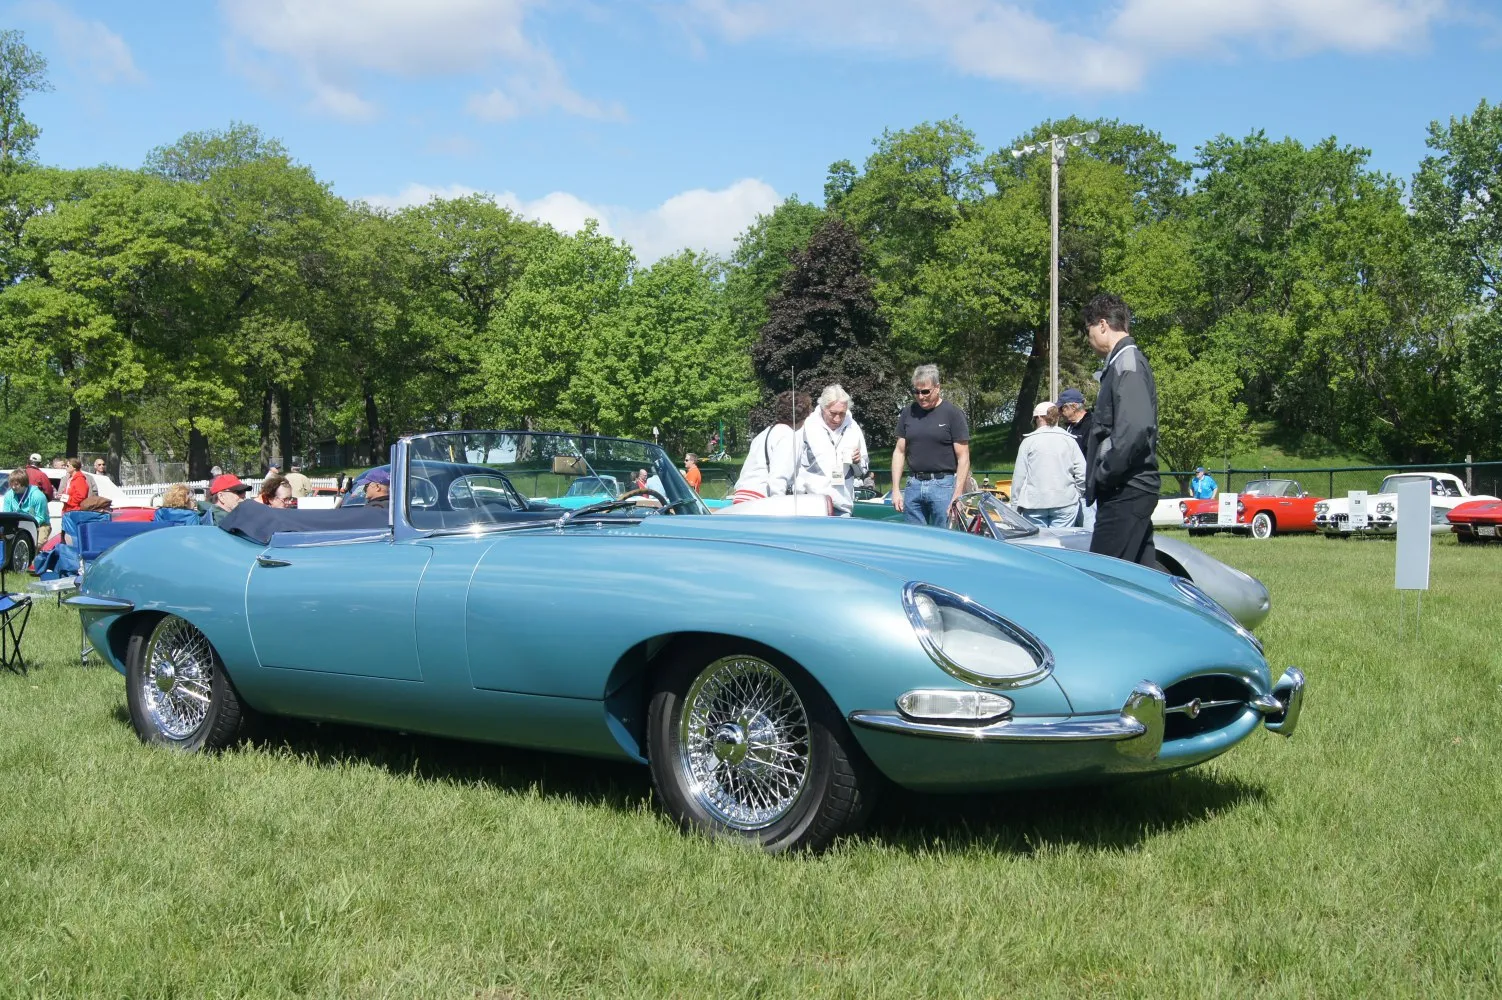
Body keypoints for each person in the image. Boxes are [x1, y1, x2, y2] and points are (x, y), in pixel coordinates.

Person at [1082, 293, 1160, 568]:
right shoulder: (1122, 364)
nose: (1089, 338)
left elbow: (1135, 428)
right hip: (1129, 489)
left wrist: (1105, 472)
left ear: (1103, 325)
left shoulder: (1127, 365)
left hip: (1125, 491)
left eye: (1089, 330)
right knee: (1142, 577)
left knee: (1103, 576)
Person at [892, 365, 970, 527]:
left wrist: (957, 495)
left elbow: (963, 457)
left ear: (937, 388)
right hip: (913, 484)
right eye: (916, 392)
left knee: (944, 537)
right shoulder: (907, 412)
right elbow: (899, 452)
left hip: (943, 486)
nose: (921, 396)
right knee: (914, 538)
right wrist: (896, 489)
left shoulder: (953, 413)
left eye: (925, 391)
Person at [1011, 401, 1086, 528]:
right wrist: (1077, 493)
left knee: (1037, 540)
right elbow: (1082, 472)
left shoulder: (1028, 441)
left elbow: (1019, 476)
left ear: (1039, 417)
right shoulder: (1069, 440)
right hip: (1065, 501)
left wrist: (1015, 504)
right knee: (1060, 540)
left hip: (1034, 503)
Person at [797, 384, 869, 516]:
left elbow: (862, 470)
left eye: (842, 414)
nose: (837, 419)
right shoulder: (807, 426)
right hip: (810, 505)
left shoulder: (853, 428)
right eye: (833, 413)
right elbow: (794, 465)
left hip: (842, 506)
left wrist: (858, 461)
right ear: (823, 408)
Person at [733, 390, 813, 504]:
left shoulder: (764, 434)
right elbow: (778, 477)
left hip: (741, 496)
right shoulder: (788, 436)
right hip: (760, 499)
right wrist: (778, 505)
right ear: (804, 415)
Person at [1058, 388, 1095, 529]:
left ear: (1073, 406)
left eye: (1062, 408)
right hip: (1072, 490)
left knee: (1088, 531)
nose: (1060, 413)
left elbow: (1090, 457)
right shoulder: (1069, 427)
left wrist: (1082, 488)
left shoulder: (1091, 425)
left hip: (1086, 491)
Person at [3, 469, 51, 543]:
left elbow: (40, 517)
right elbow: (7, 514)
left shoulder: (38, 496)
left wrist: (26, 527)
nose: (13, 487)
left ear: (24, 483)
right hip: (17, 524)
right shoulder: (8, 495)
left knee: (37, 544)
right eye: (11, 484)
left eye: (16, 484)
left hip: (40, 524)